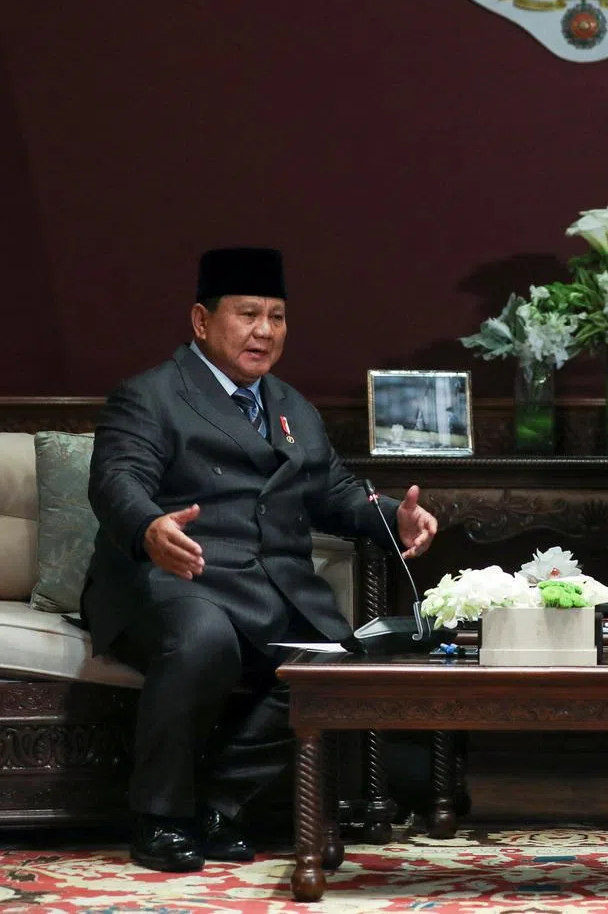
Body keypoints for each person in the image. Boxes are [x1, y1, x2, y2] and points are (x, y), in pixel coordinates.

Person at [81, 247, 439, 873]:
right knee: (203, 638)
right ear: (200, 321)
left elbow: (333, 493)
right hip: (172, 575)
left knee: (339, 659)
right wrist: (148, 525)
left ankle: (221, 804)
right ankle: (161, 818)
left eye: (276, 317)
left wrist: (394, 519)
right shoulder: (150, 395)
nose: (265, 332)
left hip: (269, 587)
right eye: (248, 315)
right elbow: (117, 479)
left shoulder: (292, 407)